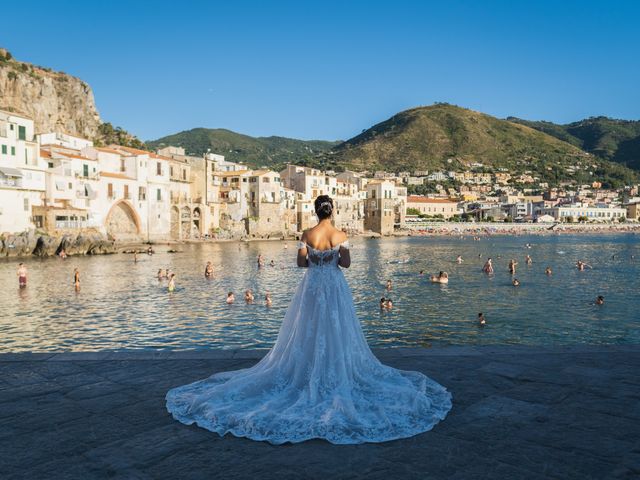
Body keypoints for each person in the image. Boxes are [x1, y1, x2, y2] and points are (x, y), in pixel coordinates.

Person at [166, 194, 451, 444]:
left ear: (316, 211)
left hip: (312, 286)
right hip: (334, 286)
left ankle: (306, 369)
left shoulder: (306, 233)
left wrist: (315, 258)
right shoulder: (340, 235)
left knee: (308, 328)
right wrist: (334, 258)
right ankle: (333, 369)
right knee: (336, 329)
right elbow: (347, 264)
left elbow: (301, 263)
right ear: (333, 211)